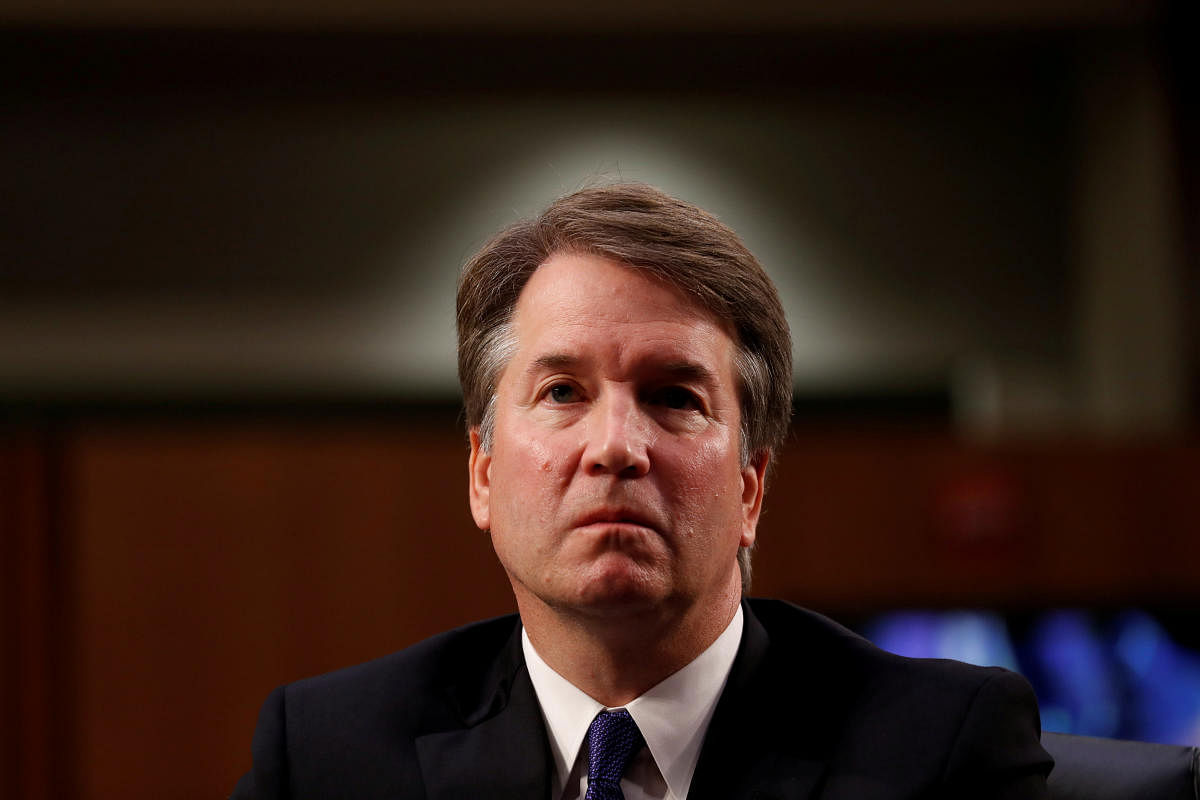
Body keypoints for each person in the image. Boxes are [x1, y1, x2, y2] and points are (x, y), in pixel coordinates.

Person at [231, 183, 1052, 799]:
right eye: (561, 393)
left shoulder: (940, 749)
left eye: (673, 397)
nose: (616, 447)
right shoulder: (329, 757)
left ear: (750, 488)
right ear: (483, 472)